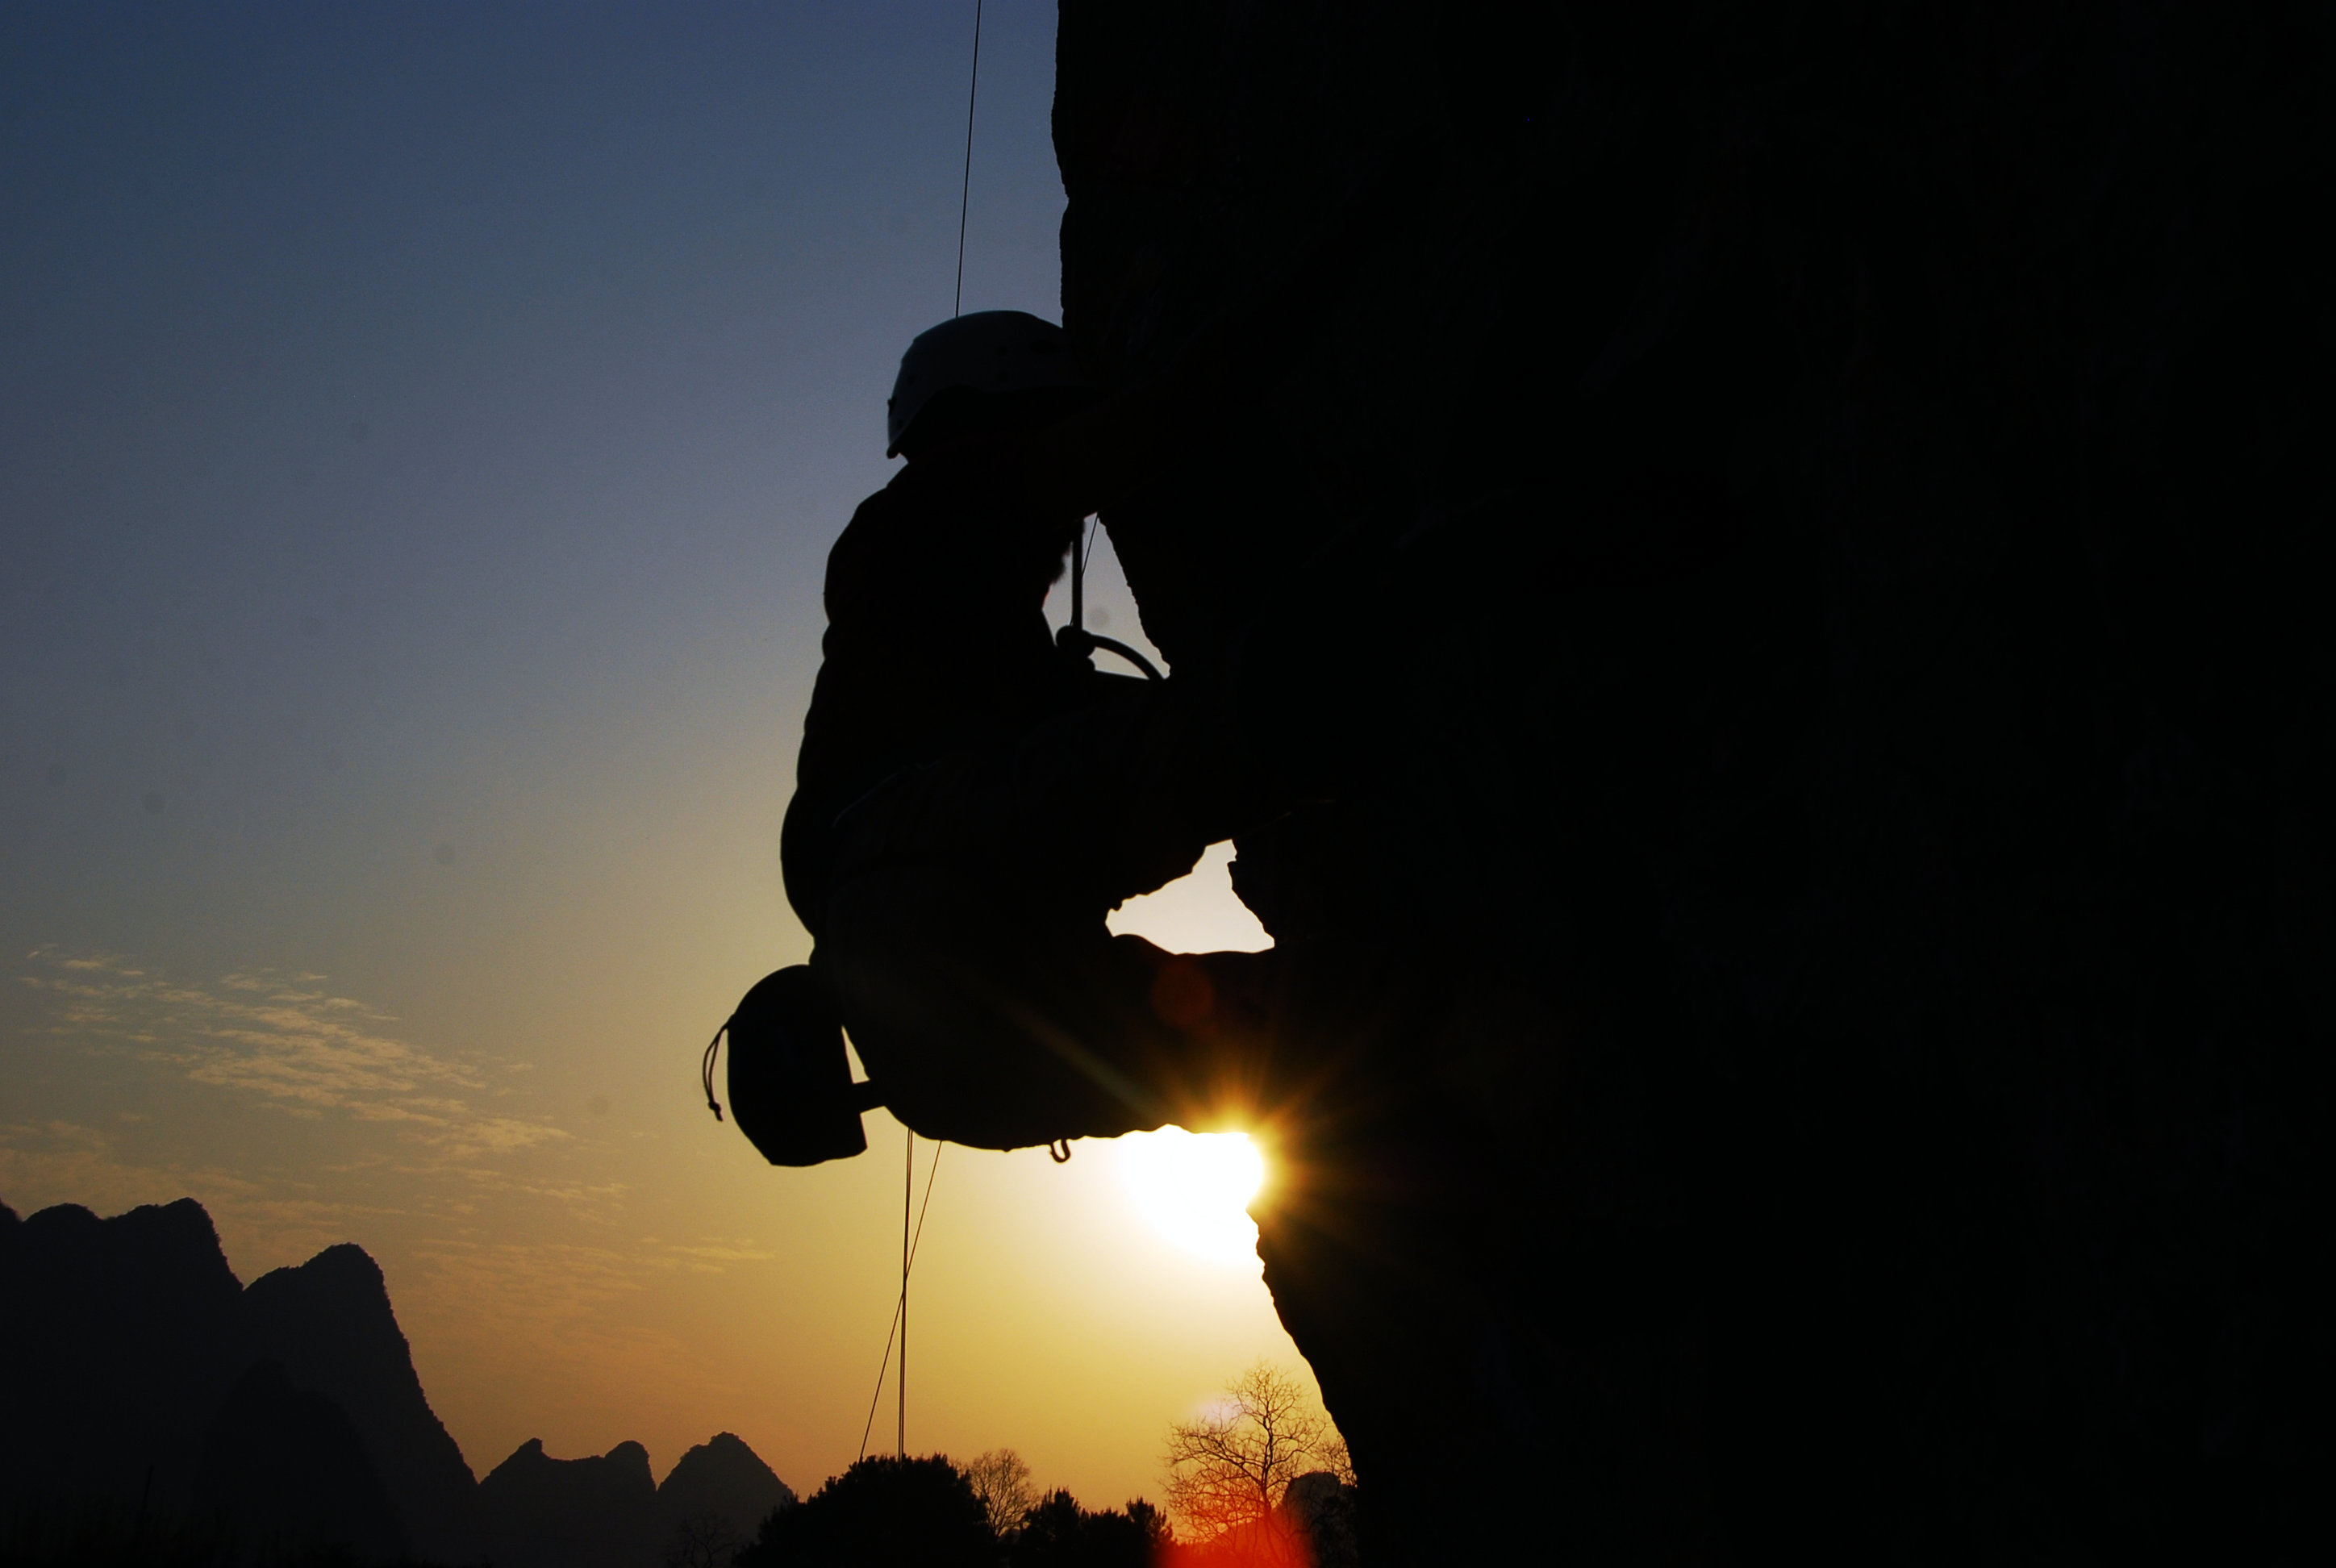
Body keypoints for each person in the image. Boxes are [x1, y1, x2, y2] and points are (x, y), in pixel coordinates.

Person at [731, 311, 1280, 1163]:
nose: (1067, 541)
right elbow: (1118, 444)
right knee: (1235, 725)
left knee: (1237, 1057)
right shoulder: (934, 502)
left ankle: (1386, 1029)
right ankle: (1414, 635)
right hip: (927, 856)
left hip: (931, 1064)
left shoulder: (916, 624)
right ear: (1002, 410)